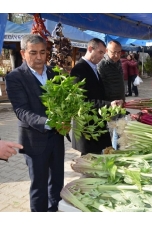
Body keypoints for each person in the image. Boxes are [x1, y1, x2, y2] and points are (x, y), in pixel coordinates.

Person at [5, 34, 66, 212]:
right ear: (23, 53)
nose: (39, 57)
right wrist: (49, 122)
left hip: (56, 139)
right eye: (33, 53)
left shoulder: (55, 73)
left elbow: (62, 102)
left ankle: (54, 212)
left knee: (57, 183)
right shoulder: (15, 77)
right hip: (34, 141)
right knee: (39, 187)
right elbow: (21, 111)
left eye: (42, 52)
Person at [70, 38, 123, 156]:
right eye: (100, 52)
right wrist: (109, 104)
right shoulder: (79, 70)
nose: (102, 56)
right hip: (88, 128)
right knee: (89, 165)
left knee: (95, 162)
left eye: (103, 53)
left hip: (96, 124)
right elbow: (82, 101)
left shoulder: (92, 67)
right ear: (90, 49)